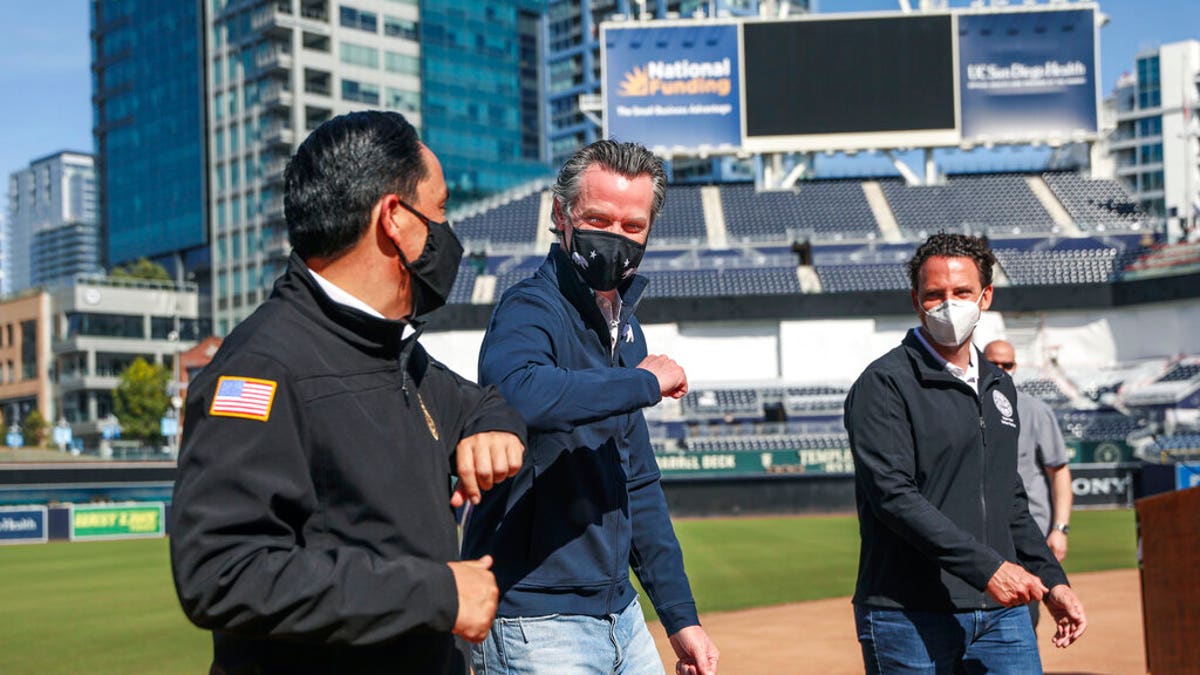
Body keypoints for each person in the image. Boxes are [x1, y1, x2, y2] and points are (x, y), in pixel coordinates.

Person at [170, 111, 527, 674]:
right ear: (394, 219)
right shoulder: (261, 367)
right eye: (439, 210)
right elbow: (223, 572)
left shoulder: (390, 348)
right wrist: (436, 593)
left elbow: (478, 401)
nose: (446, 230)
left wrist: (494, 428)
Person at [461, 140, 719, 675]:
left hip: (620, 614)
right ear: (562, 216)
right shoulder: (527, 308)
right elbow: (519, 392)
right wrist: (641, 383)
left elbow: (639, 481)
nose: (616, 239)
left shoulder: (625, 328)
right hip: (533, 619)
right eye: (598, 219)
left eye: (633, 227)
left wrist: (678, 615)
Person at [844, 233, 1087, 674]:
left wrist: (1053, 581)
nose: (948, 304)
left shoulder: (999, 384)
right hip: (909, 614)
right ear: (917, 301)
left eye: (961, 292)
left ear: (985, 297)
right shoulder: (884, 384)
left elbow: (1010, 498)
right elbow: (893, 496)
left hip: (1003, 614)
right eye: (934, 294)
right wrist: (988, 567)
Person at [983, 339, 1074, 627]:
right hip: (982, 533)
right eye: (993, 363)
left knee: (1023, 620)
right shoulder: (965, 407)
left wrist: (1059, 529)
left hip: (1027, 535)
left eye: (1006, 364)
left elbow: (1059, 471)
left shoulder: (1035, 410)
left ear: (1015, 366)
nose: (1000, 369)